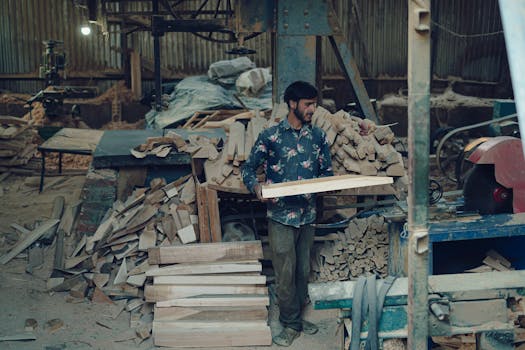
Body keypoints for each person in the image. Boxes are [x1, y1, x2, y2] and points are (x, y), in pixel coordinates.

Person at [241, 81, 333, 346]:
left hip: (308, 216)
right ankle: (289, 323)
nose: (313, 109)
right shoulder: (271, 137)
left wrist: (328, 183)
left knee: (303, 271)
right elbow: (248, 169)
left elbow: (326, 173)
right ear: (292, 104)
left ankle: (297, 317)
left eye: (314, 104)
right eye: (308, 104)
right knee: (285, 273)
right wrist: (256, 186)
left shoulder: (318, 137)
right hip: (281, 216)